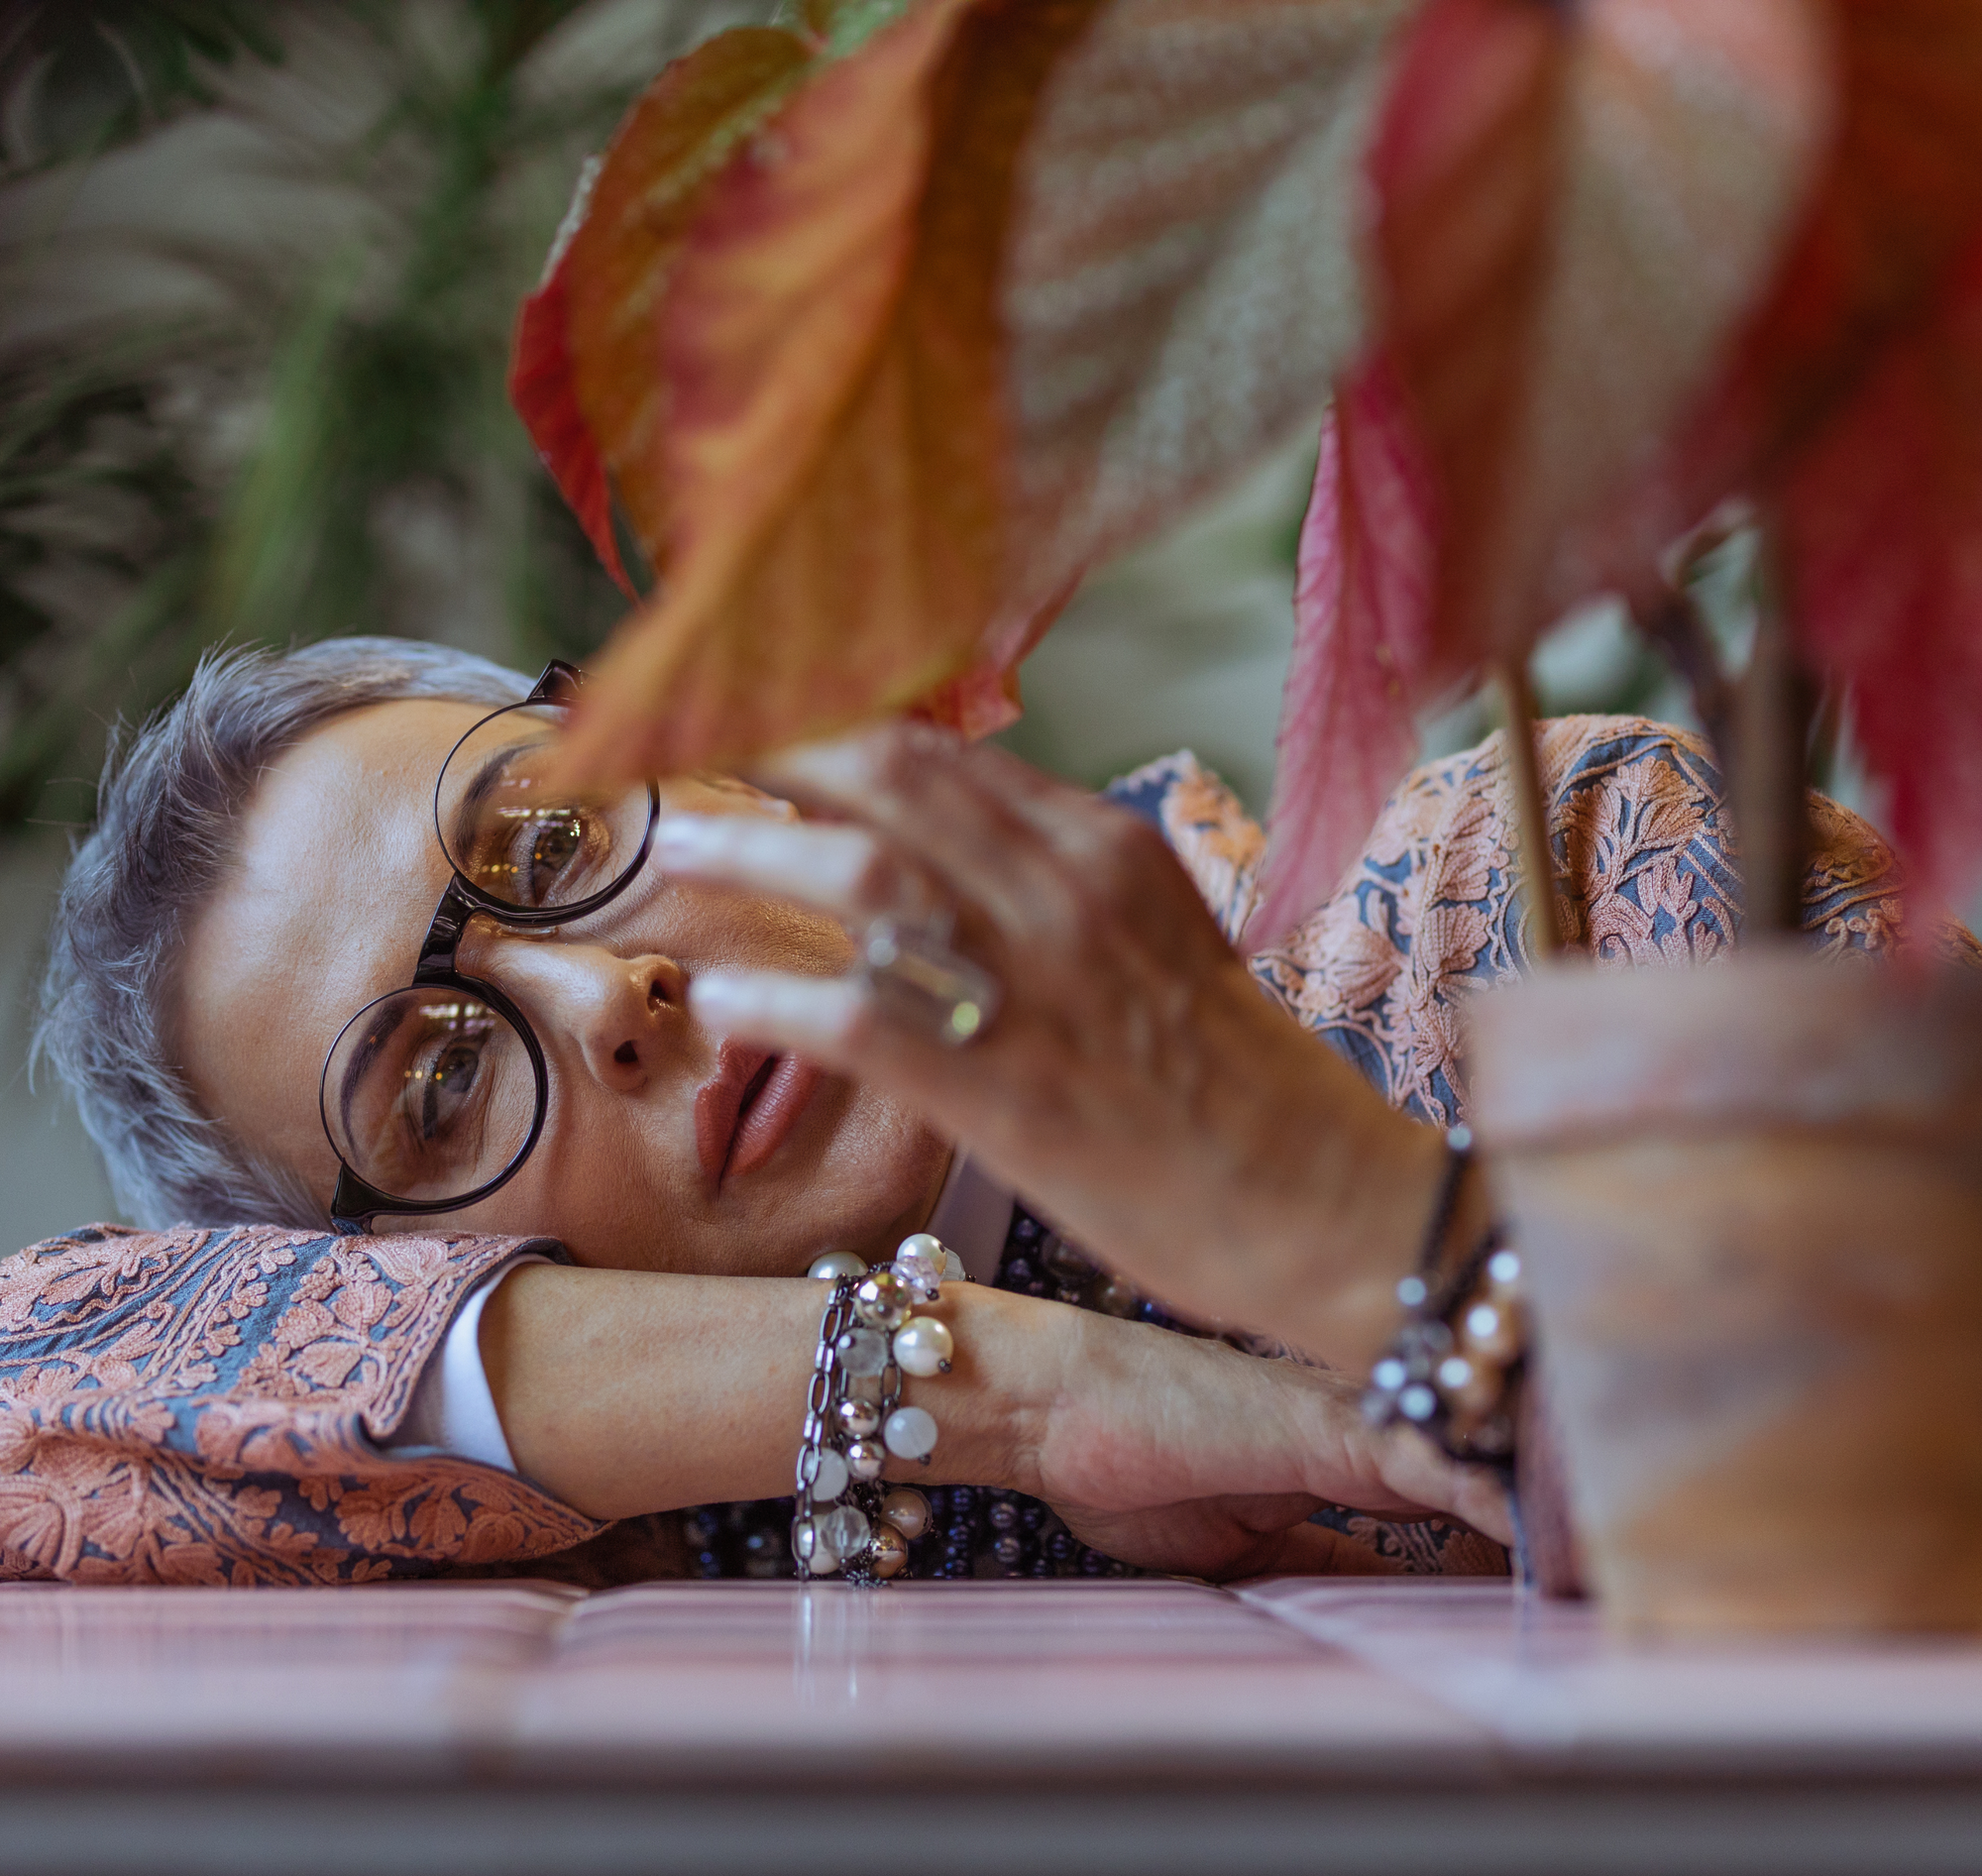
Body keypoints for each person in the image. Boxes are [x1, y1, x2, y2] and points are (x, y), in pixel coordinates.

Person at [9, 635, 1926, 1587]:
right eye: (438, 1083)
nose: (614, 999)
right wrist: (1001, 1387)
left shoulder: (1551, 888)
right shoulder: (636, 1518)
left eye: (562, 837)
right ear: (385, 1279)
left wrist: (1369, 1239)